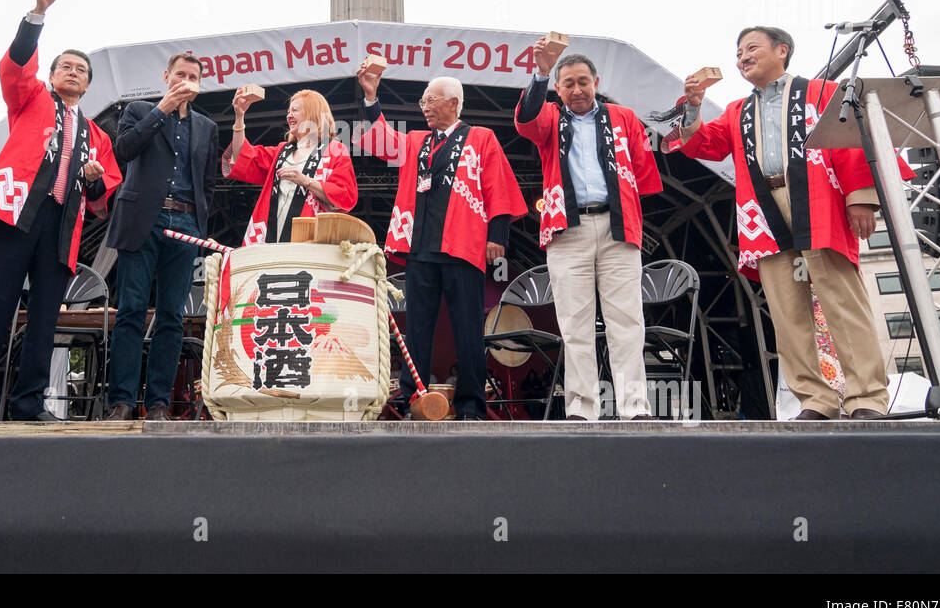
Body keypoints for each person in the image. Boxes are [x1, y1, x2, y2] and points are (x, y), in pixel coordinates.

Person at [675, 26, 907, 420]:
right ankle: (815, 400)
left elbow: (851, 140)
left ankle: (866, 397)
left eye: (751, 48)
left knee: (842, 300)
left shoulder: (821, 91)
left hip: (817, 197)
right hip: (761, 208)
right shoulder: (736, 110)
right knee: (785, 310)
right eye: (738, 52)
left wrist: (860, 198)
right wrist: (694, 107)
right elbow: (703, 145)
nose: (742, 57)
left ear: (782, 50)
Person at [0, 0, 120, 422]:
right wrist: (38, 13)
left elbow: (103, 195)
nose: (73, 72)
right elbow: (14, 67)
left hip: (61, 223)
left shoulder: (98, 135)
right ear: (50, 76)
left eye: (81, 70)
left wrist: (91, 179)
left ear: (88, 86)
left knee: (46, 316)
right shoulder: (29, 99)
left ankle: (29, 403)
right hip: (14, 211)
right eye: (65, 66)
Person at [356, 64, 525, 420]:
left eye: (430, 100)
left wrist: (497, 236)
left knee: (467, 329)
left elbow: (498, 185)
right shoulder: (416, 140)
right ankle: (414, 398)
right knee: (416, 328)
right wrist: (372, 96)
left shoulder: (481, 137)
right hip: (420, 248)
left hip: (463, 246)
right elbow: (382, 139)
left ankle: (471, 404)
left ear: (452, 102)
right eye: (422, 101)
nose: (424, 106)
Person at [515, 43, 663, 420]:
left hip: (617, 228)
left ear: (596, 82)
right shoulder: (550, 117)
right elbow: (526, 119)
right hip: (568, 230)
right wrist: (540, 74)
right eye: (568, 84)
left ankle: (635, 408)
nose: (577, 90)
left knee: (627, 322)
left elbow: (644, 172)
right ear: (558, 89)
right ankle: (582, 409)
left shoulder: (624, 117)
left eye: (584, 82)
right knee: (574, 323)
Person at [103, 53, 217, 422]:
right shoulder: (138, 110)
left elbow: (208, 183)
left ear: (200, 83)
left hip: (184, 224)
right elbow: (123, 151)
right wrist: (162, 109)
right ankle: (121, 401)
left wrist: (200, 225)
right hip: (142, 219)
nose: (186, 80)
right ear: (166, 77)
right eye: (180, 74)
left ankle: (158, 404)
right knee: (131, 310)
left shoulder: (207, 126)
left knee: (172, 315)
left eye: (193, 76)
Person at [224, 88, 358, 243]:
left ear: (312, 114)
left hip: (310, 238)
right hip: (265, 236)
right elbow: (241, 156)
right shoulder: (282, 151)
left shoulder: (334, 150)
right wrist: (239, 117)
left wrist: (306, 181)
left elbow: (345, 195)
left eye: (295, 110)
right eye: (288, 111)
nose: (288, 116)